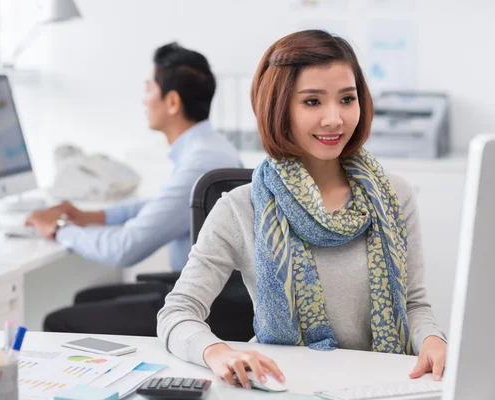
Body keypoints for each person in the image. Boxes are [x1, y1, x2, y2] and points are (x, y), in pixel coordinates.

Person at [157, 30, 447, 390]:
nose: (334, 119)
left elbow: (415, 305)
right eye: (312, 102)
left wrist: (433, 340)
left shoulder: (394, 196)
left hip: (381, 384)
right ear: (278, 107)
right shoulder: (240, 207)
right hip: (286, 384)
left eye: (346, 99)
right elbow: (177, 312)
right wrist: (217, 352)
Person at [27, 42, 242, 335]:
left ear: (173, 102)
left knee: (60, 321)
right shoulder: (210, 148)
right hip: (210, 292)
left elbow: (124, 249)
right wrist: (95, 217)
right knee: (86, 299)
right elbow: (166, 205)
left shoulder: (201, 161)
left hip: (203, 305)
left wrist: (58, 229)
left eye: (149, 89)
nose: (144, 100)